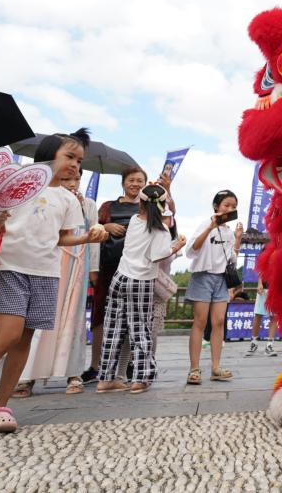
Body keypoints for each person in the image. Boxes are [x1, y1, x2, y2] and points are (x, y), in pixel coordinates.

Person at [0, 129, 108, 443]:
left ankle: (0, 407)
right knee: (8, 334)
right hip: (9, 268)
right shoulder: (17, 184)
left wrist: (86, 236)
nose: (75, 165)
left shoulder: (68, 199)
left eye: (79, 161)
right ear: (47, 153)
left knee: (23, 340)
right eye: (69, 156)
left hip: (45, 273)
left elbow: (61, 237)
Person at [15, 174, 101, 397]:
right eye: (67, 179)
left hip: (78, 263)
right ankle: (27, 376)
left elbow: (93, 235)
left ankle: (73, 373)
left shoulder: (88, 204)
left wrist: (94, 270)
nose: (72, 183)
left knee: (74, 318)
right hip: (50, 262)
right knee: (41, 318)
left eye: (76, 179)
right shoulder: (46, 199)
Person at [97, 183, 185, 394]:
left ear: (141, 204)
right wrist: (177, 245)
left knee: (113, 329)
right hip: (141, 282)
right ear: (163, 205)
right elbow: (158, 255)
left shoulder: (135, 222)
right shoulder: (161, 230)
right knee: (139, 330)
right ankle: (141, 378)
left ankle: (106, 379)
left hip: (119, 278)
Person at [82, 166, 147, 383]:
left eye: (140, 181)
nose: (135, 184)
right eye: (131, 180)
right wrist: (106, 226)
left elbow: (164, 227)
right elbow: (93, 229)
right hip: (108, 267)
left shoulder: (147, 207)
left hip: (135, 269)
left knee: (132, 318)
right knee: (100, 315)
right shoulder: (108, 207)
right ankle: (95, 365)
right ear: (123, 182)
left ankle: (125, 366)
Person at [184, 190, 243, 385]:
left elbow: (231, 259)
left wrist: (237, 240)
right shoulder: (206, 223)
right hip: (203, 276)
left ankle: (216, 367)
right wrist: (210, 226)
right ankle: (194, 369)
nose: (230, 209)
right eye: (226, 205)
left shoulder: (228, 231)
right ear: (216, 206)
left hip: (221, 279)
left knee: (218, 322)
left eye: (233, 206)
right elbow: (192, 249)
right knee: (200, 322)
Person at [246, 279, 278, 356]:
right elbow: (261, 269)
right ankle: (254, 343)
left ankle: (269, 345)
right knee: (258, 315)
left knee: (274, 316)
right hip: (264, 288)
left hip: (277, 288)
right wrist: (260, 283)